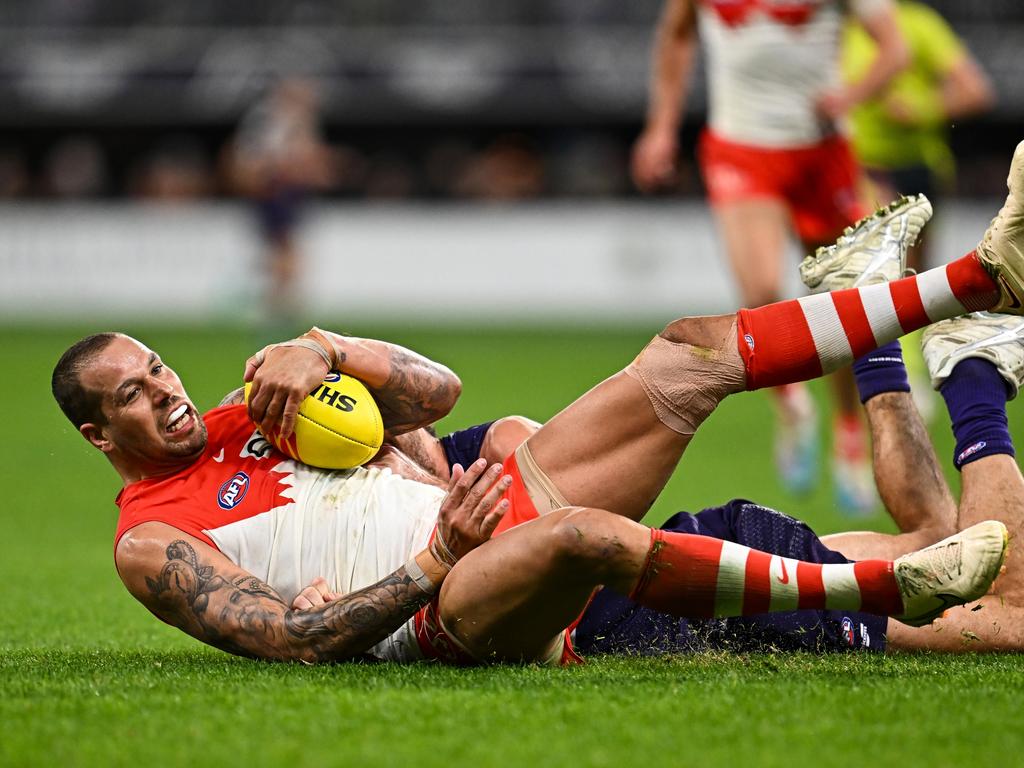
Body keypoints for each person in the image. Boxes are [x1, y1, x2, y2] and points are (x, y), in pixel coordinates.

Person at [53, 140, 1024, 664]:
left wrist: (327, 346)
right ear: (100, 436)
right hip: (443, 605)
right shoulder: (148, 541)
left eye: (159, 370)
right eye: (132, 397)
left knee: (684, 355)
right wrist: (434, 556)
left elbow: (438, 396)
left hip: (489, 516)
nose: (165, 396)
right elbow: (294, 638)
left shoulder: (252, 406)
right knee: (997, 610)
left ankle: (975, 288)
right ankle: (959, 408)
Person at [631, 0, 910, 513]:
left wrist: (849, 96)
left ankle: (849, 432)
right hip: (741, 148)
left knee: (842, 305)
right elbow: (675, 37)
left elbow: (895, 48)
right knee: (760, 292)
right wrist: (662, 126)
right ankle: (792, 405)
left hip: (822, 155)